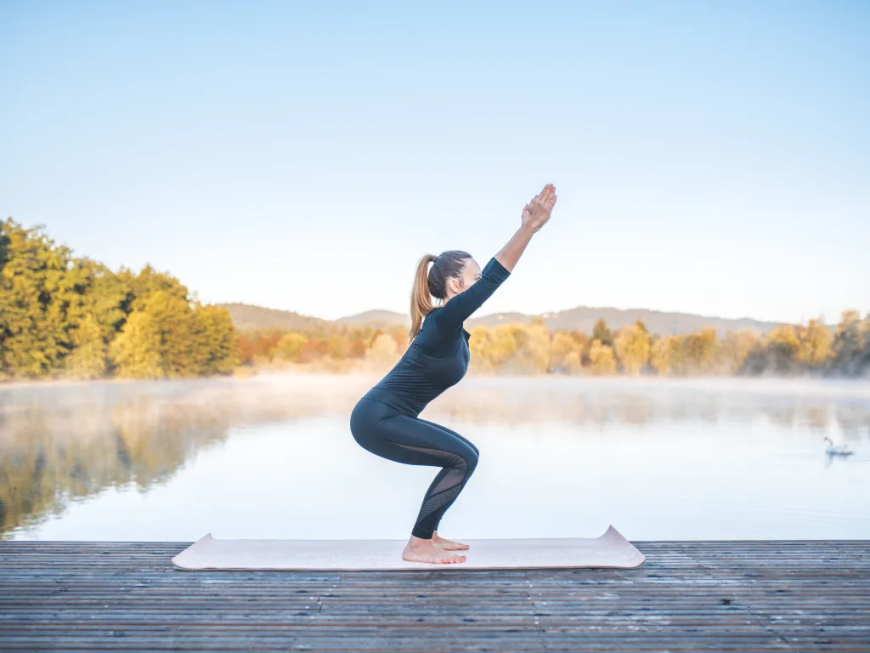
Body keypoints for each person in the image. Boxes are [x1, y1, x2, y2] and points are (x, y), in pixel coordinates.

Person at [349, 183, 558, 564]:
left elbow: (489, 279)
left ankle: (427, 534)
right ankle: (417, 545)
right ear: (455, 286)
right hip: (375, 419)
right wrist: (528, 229)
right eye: (473, 279)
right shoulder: (444, 319)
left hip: (383, 418)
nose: (480, 285)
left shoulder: (452, 328)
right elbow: (497, 276)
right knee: (462, 458)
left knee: (468, 454)